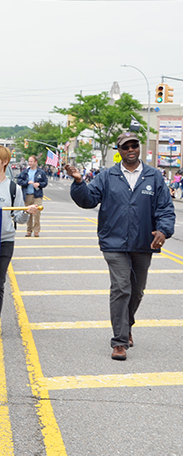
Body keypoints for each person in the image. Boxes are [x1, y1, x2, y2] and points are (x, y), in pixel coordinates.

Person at [66, 133, 175, 361]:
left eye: (134, 145)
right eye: (126, 147)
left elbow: (165, 208)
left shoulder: (154, 176)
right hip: (114, 243)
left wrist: (163, 231)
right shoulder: (108, 175)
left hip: (144, 243)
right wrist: (78, 183)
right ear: (119, 150)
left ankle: (127, 325)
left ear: (139, 148)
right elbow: (88, 200)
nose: (131, 149)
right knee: (121, 288)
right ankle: (119, 342)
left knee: (137, 291)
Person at [0, 145, 37, 343]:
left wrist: (27, 212)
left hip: (5, 240)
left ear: (5, 162)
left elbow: (19, 219)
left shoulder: (14, 188)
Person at [17, 155, 48, 237]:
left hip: (37, 195)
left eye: (31, 161)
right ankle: (29, 230)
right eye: (29, 161)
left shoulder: (41, 172)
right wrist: (27, 182)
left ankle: (36, 230)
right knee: (28, 213)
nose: (30, 163)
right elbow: (19, 181)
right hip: (27, 195)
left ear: (35, 162)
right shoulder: (25, 172)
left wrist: (39, 184)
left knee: (37, 213)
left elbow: (45, 182)